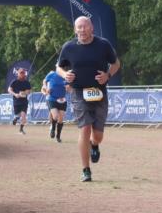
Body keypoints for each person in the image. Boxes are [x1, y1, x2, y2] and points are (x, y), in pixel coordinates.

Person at [58, 16, 120, 182]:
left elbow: (116, 63)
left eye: (85, 26)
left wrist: (107, 75)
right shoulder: (69, 47)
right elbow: (59, 67)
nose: (82, 30)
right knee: (84, 128)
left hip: (99, 93)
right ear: (75, 30)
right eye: (79, 27)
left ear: (92, 28)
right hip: (78, 93)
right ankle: (86, 169)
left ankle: (95, 144)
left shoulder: (103, 44)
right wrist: (65, 74)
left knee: (98, 135)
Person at [42, 61, 69, 142]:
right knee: (55, 116)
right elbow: (44, 81)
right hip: (52, 98)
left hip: (62, 99)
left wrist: (68, 88)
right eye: (60, 66)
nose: (63, 68)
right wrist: (45, 87)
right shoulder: (52, 74)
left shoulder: (66, 76)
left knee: (60, 119)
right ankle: (53, 129)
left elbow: (69, 87)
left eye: (63, 66)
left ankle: (58, 136)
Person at [7, 67, 32, 135]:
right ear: (18, 74)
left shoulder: (27, 82)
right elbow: (9, 90)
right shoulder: (14, 82)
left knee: (24, 117)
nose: (22, 74)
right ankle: (16, 117)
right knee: (17, 115)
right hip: (16, 101)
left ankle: (21, 129)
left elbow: (29, 91)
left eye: (23, 73)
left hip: (24, 102)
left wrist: (25, 92)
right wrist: (15, 94)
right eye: (21, 73)